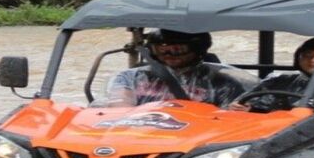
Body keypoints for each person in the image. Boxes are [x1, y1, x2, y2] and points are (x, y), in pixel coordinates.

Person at [102, 29, 256, 107]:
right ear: (151, 51)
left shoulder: (223, 83)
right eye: (161, 50)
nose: (169, 54)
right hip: (142, 134)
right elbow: (119, 106)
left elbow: (231, 119)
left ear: (197, 49)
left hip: (193, 140)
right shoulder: (131, 77)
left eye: (178, 49)